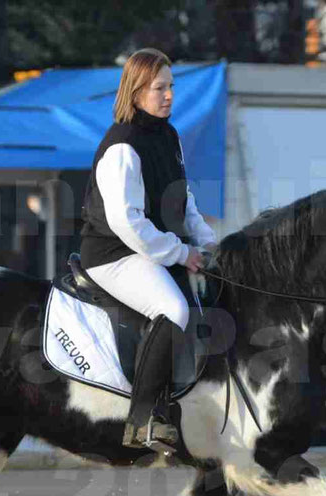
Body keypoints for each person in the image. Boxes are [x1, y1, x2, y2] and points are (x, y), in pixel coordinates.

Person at [79, 48, 217, 451]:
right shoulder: (123, 145)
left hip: (151, 249)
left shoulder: (168, 135)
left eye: (172, 86)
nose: (170, 95)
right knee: (172, 309)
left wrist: (208, 242)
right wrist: (180, 253)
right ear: (137, 91)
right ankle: (143, 419)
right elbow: (127, 221)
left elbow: (182, 199)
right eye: (160, 88)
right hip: (113, 253)